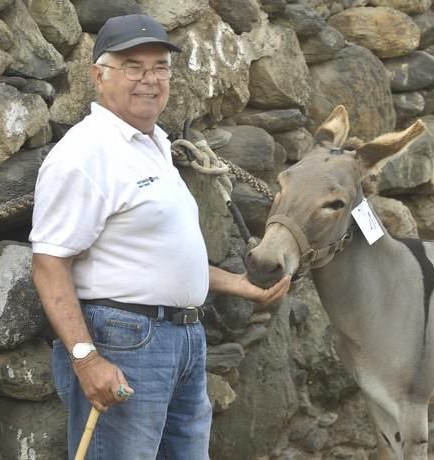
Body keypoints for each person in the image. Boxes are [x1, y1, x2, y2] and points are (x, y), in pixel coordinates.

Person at [30, 14, 290, 460]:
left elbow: (154, 260)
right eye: (133, 66)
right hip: (124, 341)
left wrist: (237, 285)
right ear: (98, 76)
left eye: (160, 67)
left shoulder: (154, 145)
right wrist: (86, 358)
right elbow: (49, 263)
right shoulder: (84, 154)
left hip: (184, 340)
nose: (150, 79)